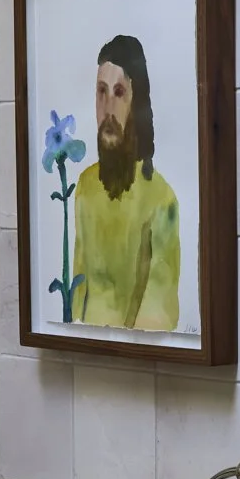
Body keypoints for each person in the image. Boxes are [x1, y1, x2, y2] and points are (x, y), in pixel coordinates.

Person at [72, 34, 181, 330]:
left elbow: (160, 309)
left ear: (137, 103)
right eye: (101, 91)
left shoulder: (162, 199)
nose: (107, 108)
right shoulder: (84, 187)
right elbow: (78, 289)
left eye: (119, 92)